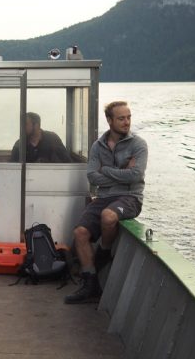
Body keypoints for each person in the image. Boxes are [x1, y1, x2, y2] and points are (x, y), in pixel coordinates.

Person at [65, 101, 148, 304]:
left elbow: (136, 176)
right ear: (109, 120)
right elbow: (92, 177)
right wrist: (121, 173)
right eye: (121, 118)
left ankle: (103, 251)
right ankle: (90, 283)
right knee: (80, 233)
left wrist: (106, 170)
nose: (126, 122)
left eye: (128, 117)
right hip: (103, 197)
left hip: (130, 198)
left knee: (108, 216)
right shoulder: (98, 146)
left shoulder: (138, 145)